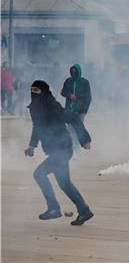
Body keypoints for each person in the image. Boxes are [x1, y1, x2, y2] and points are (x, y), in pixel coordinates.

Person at [25, 80, 94, 225]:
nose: (33, 93)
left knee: (39, 174)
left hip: (62, 149)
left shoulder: (51, 106)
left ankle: (54, 209)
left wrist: (84, 139)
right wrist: (32, 146)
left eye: (36, 90)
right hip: (55, 151)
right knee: (64, 183)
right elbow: (37, 127)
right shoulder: (35, 108)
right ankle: (84, 211)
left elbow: (73, 118)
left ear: (43, 92)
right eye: (32, 90)